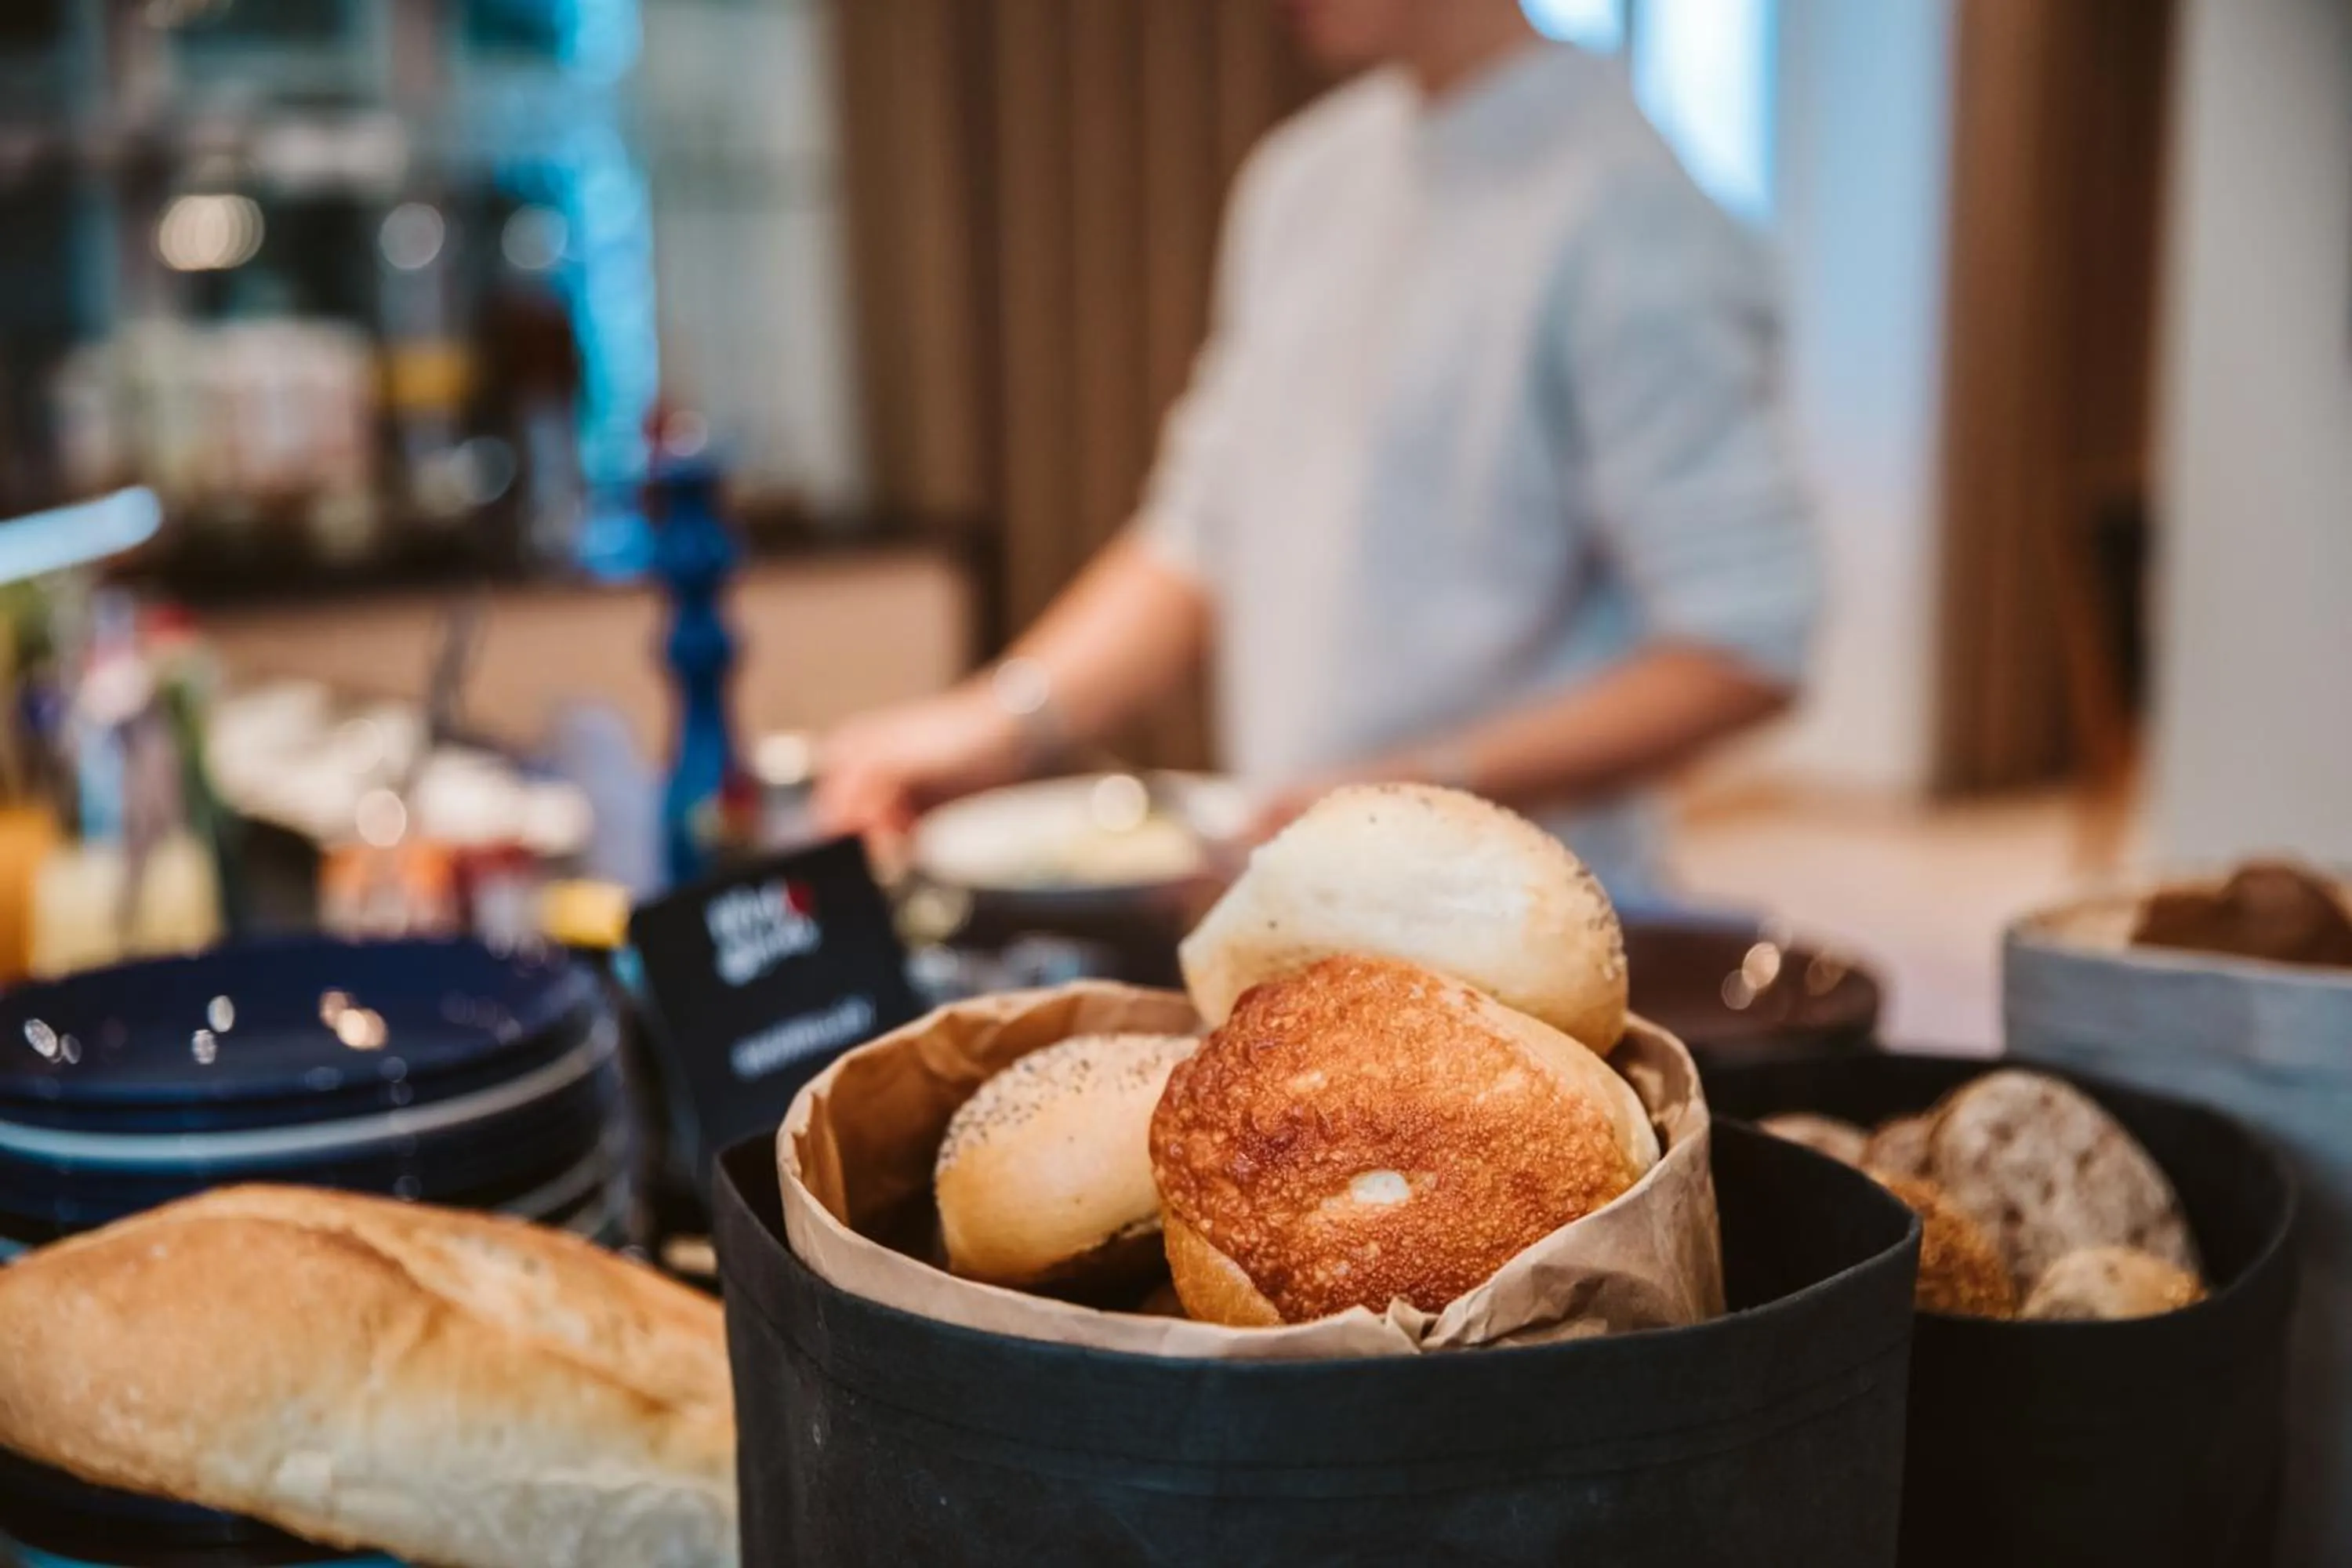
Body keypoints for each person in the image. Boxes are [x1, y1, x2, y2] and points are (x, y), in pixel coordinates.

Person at [816, 0, 1820, 906]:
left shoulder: (1628, 207)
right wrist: (999, 721)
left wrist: (1418, 785)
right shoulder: (1303, 179)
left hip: (1516, 914)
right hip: (1306, 897)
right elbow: (1203, 530)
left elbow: (1746, 645)